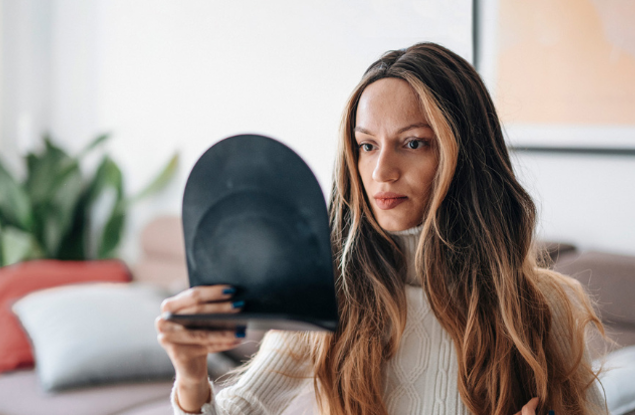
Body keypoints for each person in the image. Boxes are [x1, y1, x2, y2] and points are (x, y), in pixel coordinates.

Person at [156, 42, 607, 415]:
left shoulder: (546, 305)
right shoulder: (331, 296)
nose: (381, 171)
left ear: (464, 155)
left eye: (413, 143)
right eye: (366, 146)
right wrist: (192, 378)